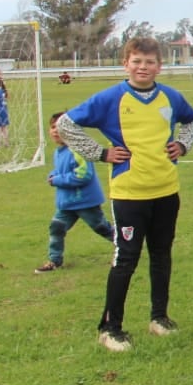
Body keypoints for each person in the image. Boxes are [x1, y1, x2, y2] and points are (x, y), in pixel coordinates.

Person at [57, 37, 193, 351]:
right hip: (130, 194)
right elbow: (66, 124)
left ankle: (159, 318)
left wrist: (184, 144)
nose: (143, 67)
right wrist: (99, 153)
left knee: (161, 255)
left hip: (166, 190)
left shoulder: (170, 97)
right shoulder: (110, 99)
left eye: (149, 62)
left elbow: (192, 121)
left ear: (159, 66)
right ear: (126, 64)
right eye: (137, 61)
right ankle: (110, 328)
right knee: (126, 259)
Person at [37, 111, 115, 273]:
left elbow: (83, 174)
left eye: (59, 127)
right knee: (56, 228)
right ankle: (55, 260)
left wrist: (58, 180)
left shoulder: (79, 150)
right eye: (52, 127)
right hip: (66, 203)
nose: (55, 131)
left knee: (102, 228)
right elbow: (61, 170)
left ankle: (128, 246)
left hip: (84, 201)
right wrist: (53, 175)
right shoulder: (59, 152)